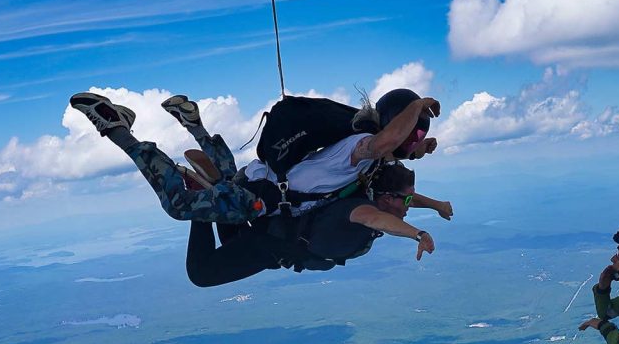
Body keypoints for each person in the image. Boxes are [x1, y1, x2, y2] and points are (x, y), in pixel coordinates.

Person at [68, 88, 439, 224]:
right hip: (264, 199)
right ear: (395, 125)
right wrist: (418, 104)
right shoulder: (360, 148)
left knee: (226, 181)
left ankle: (194, 125)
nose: (416, 140)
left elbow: (396, 155)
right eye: (415, 131)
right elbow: (388, 142)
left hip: (262, 180)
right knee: (180, 204)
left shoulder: (369, 152)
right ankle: (117, 128)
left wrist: (424, 157)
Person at [185, 161, 451, 287]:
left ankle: (218, 187)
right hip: (272, 245)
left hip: (268, 232)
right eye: (405, 200)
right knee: (202, 274)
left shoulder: (362, 191)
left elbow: (402, 200)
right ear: (386, 197)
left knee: (231, 242)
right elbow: (379, 219)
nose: (408, 205)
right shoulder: (360, 209)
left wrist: (436, 205)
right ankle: (201, 201)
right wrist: (418, 234)